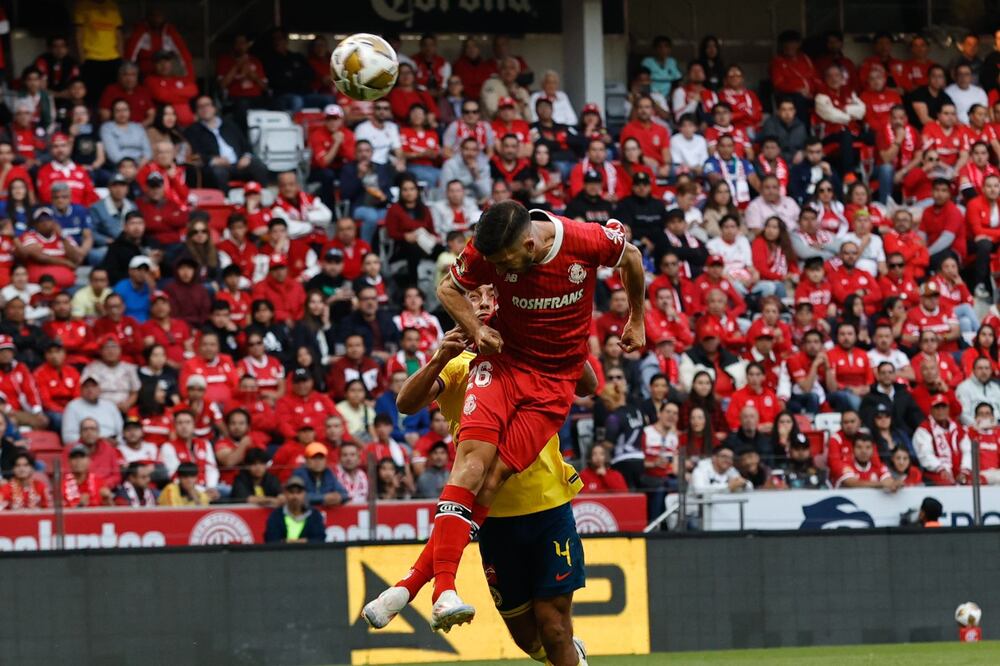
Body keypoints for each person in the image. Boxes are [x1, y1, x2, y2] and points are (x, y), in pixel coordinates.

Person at [363, 283, 593, 665]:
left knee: (554, 628)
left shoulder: (533, 349)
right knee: (529, 642)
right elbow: (406, 403)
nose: (485, 302)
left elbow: (587, 385)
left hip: (548, 509)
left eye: (493, 295)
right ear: (459, 307)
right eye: (475, 297)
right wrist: (438, 357)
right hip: (492, 521)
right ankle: (571, 654)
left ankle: (414, 589)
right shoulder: (456, 365)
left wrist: (551, 328)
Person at [184, 95, 267, 190]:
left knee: (258, 165)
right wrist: (212, 160)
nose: (205, 109)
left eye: (207, 105)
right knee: (218, 172)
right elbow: (194, 154)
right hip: (217, 167)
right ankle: (226, 202)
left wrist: (246, 157)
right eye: (201, 107)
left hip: (239, 163)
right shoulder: (192, 131)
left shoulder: (230, 125)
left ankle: (262, 197)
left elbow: (246, 146)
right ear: (197, 111)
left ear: (214, 108)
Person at [913, 395, 973, 486]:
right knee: (945, 482)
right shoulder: (924, 430)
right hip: (935, 472)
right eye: (937, 407)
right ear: (931, 410)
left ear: (948, 409)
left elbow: (967, 451)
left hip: (959, 471)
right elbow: (925, 455)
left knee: (976, 481)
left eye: (943, 407)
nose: (940, 411)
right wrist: (941, 469)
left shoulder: (958, 429)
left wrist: (964, 471)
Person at [263, 476, 326, 543]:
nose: (295, 496)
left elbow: (320, 538)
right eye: (291, 492)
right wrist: (286, 542)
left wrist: (304, 542)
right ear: (285, 494)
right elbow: (270, 540)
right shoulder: (276, 515)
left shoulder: (315, 515)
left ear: (304, 494)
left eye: (299, 492)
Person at [833, 433, 899, 490]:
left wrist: (894, 484)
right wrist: (881, 484)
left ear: (873, 450)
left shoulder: (878, 466)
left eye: (868, 447)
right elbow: (851, 483)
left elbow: (888, 481)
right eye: (859, 447)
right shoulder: (845, 465)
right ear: (853, 449)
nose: (863, 451)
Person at [292, 441, 348, 507]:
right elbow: (297, 496)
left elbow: (344, 493)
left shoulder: (328, 473)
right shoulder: (299, 474)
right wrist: (324, 498)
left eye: (321, 458)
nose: (318, 462)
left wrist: (339, 497)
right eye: (314, 458)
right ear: (306, 461)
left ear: (325, 460)